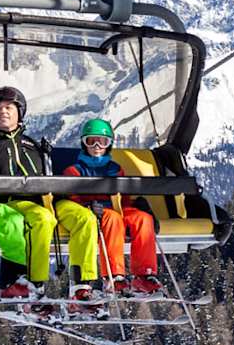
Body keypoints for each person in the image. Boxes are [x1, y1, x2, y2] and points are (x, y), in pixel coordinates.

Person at [0, 85, 100, 304]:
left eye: (9, 107)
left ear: (20, 112)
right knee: (42, 218)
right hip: (14, 202)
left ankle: (81, 286)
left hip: (49, 199)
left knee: (85, 218)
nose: (3, 112)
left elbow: (49, 177)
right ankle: (34, 284)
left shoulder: (33, 145)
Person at [59, 118, 161, 296]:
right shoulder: (74, 171)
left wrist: (139, 207)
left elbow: (124, 198)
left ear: (109, 144)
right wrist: (88, 207)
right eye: (91, 141)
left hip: (116, 207)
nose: (97, 145)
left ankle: (144, 275)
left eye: (103, 141)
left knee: (143, 219)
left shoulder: (116, 169)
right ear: (84, 144)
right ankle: (114, 276)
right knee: (113, 219)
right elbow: (72, 201)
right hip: (94, 211)